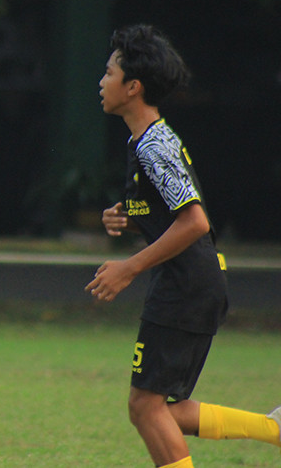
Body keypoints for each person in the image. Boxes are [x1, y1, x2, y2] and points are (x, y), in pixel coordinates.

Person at [86, 24, 281, 467]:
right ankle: (272, 429)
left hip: (187, 285)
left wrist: (129, 267)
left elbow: (194, 222)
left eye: (109, 72)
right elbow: (172, 212)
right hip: (190, 283)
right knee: (153, 409)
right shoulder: (146, 139)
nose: (101, 81)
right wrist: (129, 217)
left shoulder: (155, 145)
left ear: (133, 87)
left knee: (146, 408)